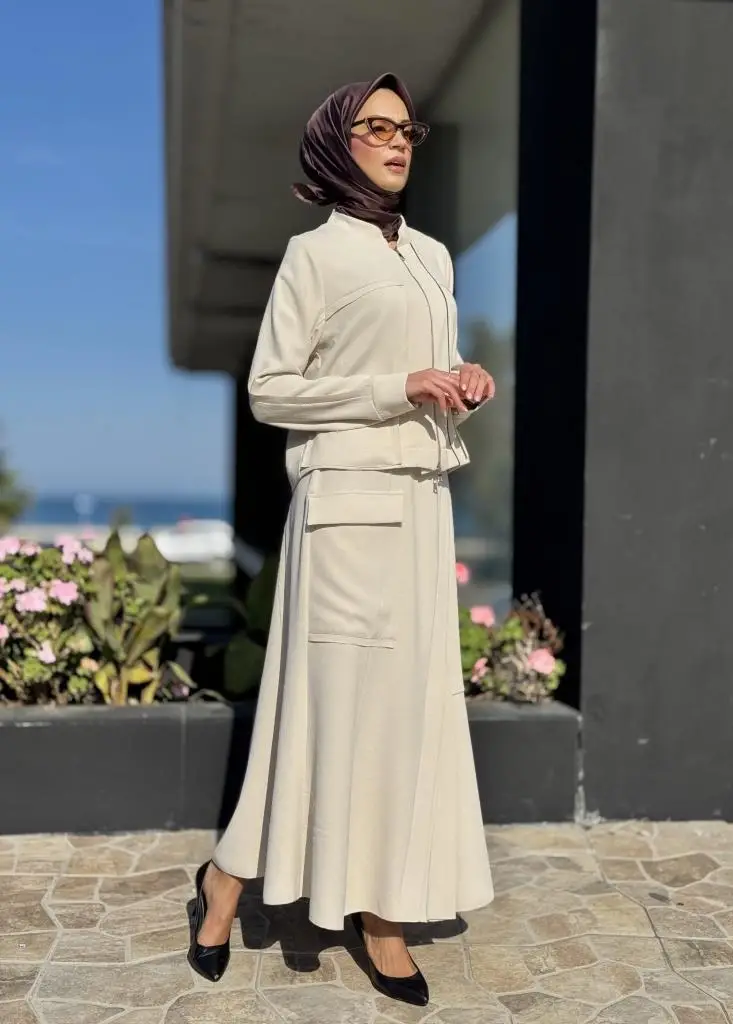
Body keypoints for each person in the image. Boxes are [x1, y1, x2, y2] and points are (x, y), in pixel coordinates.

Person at [186, 72, 495, 1008]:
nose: (398, 142)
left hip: (421, 504)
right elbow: (270, 390)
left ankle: (382, 911)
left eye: (407, 129)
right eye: (377, 127)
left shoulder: (433, 256)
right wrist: (396, 387)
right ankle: (230, 880)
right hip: (346, 512)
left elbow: (422, 376)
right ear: (337, 141)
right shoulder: (314, 255)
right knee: (323, 713)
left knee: (408, 715)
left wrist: (460, 379)